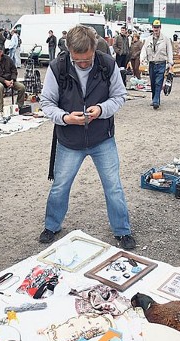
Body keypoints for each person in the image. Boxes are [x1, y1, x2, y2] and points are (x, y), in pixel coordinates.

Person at [39, 25, 136, 250]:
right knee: (60, 186)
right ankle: (52, 225)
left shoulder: (107, 64)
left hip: (102, 138)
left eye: (87, 59)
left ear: (94, 48)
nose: (83, 64)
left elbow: (120, 96)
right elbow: (46, 103)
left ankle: (122, 231)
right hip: (69, 141)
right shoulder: (57, 67)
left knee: (113, 186)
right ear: (69, 50)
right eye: (78, 60)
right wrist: (65, 118)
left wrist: (101, 110)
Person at [140, 20, 173, 110]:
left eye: (157, 27)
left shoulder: (165, 39)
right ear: (152, 28)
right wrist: (142, 58)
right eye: (154, 27)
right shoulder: (148, 40)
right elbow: (144, 50)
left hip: (161, 63)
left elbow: (169, 51)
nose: (156, 29)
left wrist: (170, 63)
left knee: (158, 83)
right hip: (152, 64)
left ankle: (156, 101)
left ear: (160, 28)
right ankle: (155, 97)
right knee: (153, 83)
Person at [0, 44, 26, 112]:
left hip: (9, 80)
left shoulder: (7, 59)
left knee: (22, 87)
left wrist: (12, 80)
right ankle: (0, 106)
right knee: (0, 86)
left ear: (1, 52)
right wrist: (4, 81)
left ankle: (19, 105)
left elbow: (14, 70)